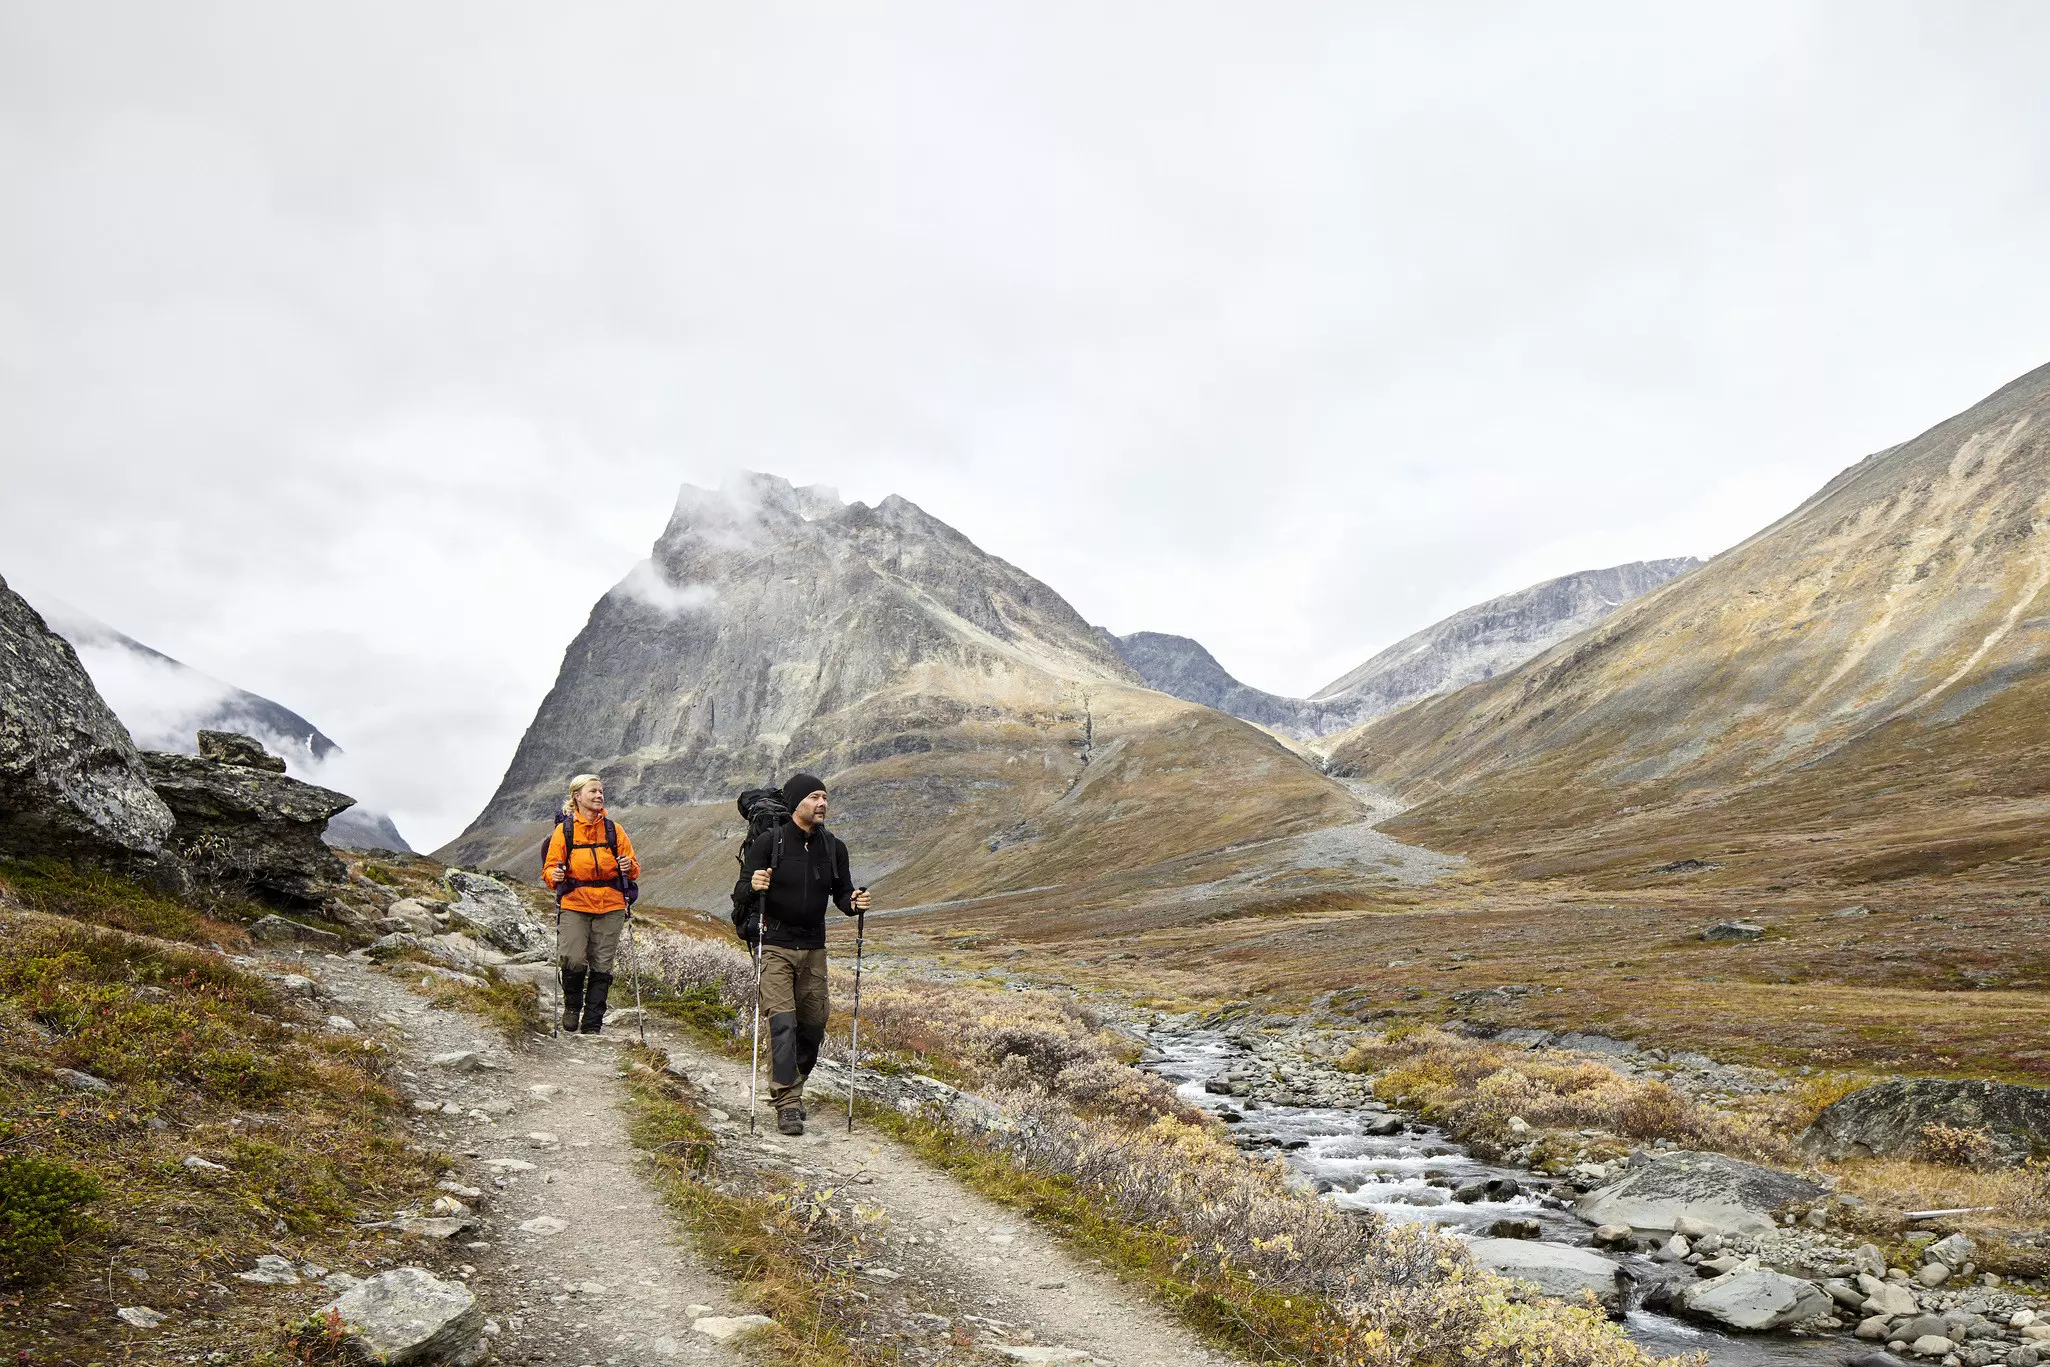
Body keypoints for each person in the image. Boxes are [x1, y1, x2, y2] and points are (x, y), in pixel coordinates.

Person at [742, 771, 871, 1135]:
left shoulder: (834, 848)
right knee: (783, 1022)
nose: (822, 803)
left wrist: (855, 902)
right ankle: (787, 1102)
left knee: (813, 1024)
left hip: (814, 948)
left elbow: (842, 895)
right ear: (797, 801)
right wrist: (753, 885)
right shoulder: (770, 843)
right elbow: (741, 892)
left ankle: (793, 1087)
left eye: (825, 797)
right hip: (776, 946)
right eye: (815, 797)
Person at [542, 774, 641, 1035]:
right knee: (572, 958)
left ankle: (593, 1023)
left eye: (601, 791)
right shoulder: (564, 831)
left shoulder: (614, 830)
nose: (599, 796)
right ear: (577, 796)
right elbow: (550, 867)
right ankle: (572, 1007)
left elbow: (634, 868)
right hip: (575, 903)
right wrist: (555, 875)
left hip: (611, 905)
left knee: (602, 964)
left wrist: (628, 866)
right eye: (593, 791)